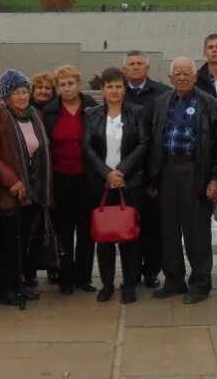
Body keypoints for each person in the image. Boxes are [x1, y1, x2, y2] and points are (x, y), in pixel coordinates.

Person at [147, 57, 217, 304]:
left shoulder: (210, 105)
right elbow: (152, 143)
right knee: (168, 230)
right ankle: (173, 280)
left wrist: (215, 179)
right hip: (167, 171)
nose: (182, 78)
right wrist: (152, 179)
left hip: (196, 171)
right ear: (170, 78)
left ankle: (200, 283)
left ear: (195, 77)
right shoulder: (160, 103)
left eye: (187, 74)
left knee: (197, 232)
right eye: (177, 74)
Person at [0, 70, 54, 306]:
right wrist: (11, 179)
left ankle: (18, 285)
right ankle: (6, 291)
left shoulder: (35, 116)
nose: (22, 97)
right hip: (10, 191)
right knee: (9, 244)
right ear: (6, 95)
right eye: (16, 92)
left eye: (25, 91)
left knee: (23, 242)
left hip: (32, 189)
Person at [83, 67, 150, 303]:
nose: (114, 90)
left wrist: (121, 171)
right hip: (101, 185)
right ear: (102, 89)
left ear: (124, 89)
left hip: (130, 183)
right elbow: (87, 147)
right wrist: (107, 174)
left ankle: (129, 284)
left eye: (118, 86)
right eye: (109, 86)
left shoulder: (137, 112)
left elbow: (143, 144)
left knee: (129, 236)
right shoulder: (92, 114)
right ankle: (107, 284)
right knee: (105, 236)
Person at [41, 64, 99, 294]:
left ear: (79, 83)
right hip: (61, 179)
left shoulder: (92, 108)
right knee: (64, 231)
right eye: (62, 85)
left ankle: (84, 277)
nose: (67, 88)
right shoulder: (49, 112)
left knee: (86, 231)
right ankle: (65, 277)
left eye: (71, 83)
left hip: (88, 178)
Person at [122, 50, 173, 288]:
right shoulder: (116, 92)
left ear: (147, 68)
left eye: (139, 63)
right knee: (130, 223)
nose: (135, 67)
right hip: (126, 171)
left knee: (155, 225)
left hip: (154, 168)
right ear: (125, 70)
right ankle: (130, 273)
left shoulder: (162, 93)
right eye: (131, 64)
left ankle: (152, 270)